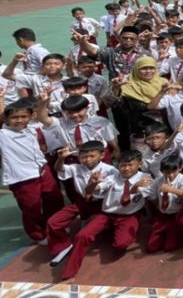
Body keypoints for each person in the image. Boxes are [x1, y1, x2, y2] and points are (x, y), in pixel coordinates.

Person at [60, 150, 151, 280]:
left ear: (140, 164)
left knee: (121, 244)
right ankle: (69, 272)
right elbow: (91, 191)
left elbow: (143, 196)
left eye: (130, 165)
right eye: (122, 165)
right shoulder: (113, 176)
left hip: (128, 216)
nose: (126, 169)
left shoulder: (145, 178)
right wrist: (93, 183)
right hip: (107, 214)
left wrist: (134, 190)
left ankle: (118, 231)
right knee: (82, 235)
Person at [0, 98, 64, 245]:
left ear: (30, 117)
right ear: (7, 119)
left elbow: (42, 115)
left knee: (54, 198)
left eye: (24, 116)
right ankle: (38, 235)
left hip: (42, 170)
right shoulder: (3, 135)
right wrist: (1, 99)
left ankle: (54, 226)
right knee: (31, 208)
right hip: (22, 178)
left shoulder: (31, 129)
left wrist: (43, 101)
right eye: (15, 117)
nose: (20, 120)